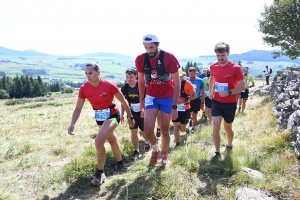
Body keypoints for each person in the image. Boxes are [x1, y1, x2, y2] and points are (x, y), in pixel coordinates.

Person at [67, 62, 135, 186]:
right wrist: (72, 123)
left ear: (98, 73)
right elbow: (78, 109)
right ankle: (120, 163)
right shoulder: (83, 88)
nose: (88, 76)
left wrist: (130, 117)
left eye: (91, 73)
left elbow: (123, 101)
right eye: (86, 73)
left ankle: (100, 173)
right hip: (99, 117)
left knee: (98, 141)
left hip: (113, 115)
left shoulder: (109, 85)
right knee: (112, 139)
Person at [136, 34, 180, 169]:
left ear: (158, 44)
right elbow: (142, 81)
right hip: (151, 96)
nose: (149, 51)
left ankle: (165, 155)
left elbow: (177, 84)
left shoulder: (169, 57)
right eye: (146, 48)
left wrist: (174, 106)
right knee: (147, 130)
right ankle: (156, 149)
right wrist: (142, 102)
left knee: (165, 129)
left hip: (167, 97)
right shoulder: (140, 59)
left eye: (151, 47)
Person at [209, 42, 245, 159]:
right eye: (218, 56)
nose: (220, 58)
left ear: (228, 53)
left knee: (227, 127)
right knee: (215, 126)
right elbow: (212, 77)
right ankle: (217, 151)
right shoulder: (213, 66)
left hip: (230, 103)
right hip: (217, 101)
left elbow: (242, 87)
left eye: (223, 55)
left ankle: (229, 144)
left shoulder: (236, 68)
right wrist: (210, 90)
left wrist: (228, 92)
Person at [120, 68, 150, 159]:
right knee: (133, 132)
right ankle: (136, 150)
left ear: (136, 76)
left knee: (144, 131)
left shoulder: (142, 86)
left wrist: (144, 110)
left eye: (131, 77)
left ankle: (147, 142)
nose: (129, 79)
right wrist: (122, 114)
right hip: (132, 112)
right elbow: (123, 102)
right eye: (127, 77)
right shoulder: (124, 88)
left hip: (143, 111)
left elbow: (147, 100)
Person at [172, 68, 196, 147]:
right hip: (175, 108)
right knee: (176, 126)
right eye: (176, 76)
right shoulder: (171, 84)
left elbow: (194, 96)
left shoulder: (188, 84)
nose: (178, 78)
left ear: (183, 76)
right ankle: (177, 143)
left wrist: (185, 99)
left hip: (185, 108)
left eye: (180, 76)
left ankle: (186, 129)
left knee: (182, 128)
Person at [186, 67, 205, 133]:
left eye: (192, 74)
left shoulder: (200, 81)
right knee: (188, 115)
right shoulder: (186, 80)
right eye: (189, 74)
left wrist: (202, 102)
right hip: (188, 100)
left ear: (195, 73)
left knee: (194, 114)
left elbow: (203, 93)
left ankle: (193, 128)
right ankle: (190, 122)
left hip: (197, 100)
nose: (191, 76)